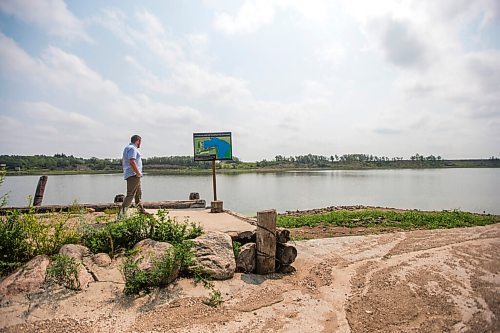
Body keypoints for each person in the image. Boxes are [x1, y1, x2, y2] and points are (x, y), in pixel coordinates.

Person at [118, 135, 146, 219]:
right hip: (133, 174)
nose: (140, 144)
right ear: (138, 141)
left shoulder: (128, 148)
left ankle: (141, 211)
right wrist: (137, 172)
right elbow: (132, 161)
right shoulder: (132, 148)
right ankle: (121, 215)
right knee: (130, 194)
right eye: (140, 142)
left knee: (138, 194)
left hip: (133, 174)